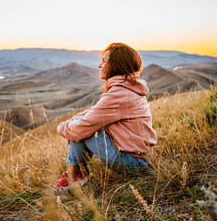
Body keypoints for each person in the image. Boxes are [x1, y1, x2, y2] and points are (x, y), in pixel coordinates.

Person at [54, 43, 157, 190]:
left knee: (80, 129)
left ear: (116, 65)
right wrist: (72, 123)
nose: (99, 65)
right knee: (79, 124)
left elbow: (79, 129)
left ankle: (73, 177)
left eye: (104, 61)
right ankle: (77, 174)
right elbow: (93, 113)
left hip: (133, 163)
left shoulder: (119, 94)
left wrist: (61, 127)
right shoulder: (126, 89)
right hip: (140, 160)